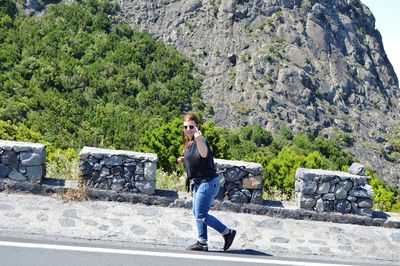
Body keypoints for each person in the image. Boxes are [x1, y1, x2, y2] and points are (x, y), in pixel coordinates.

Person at [177, 113, 236, 252]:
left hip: (207, 183)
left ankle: (227, 232)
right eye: (186, 127)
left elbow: (203, 154)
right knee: (196, 212)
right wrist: (184, 160)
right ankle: (202, 242)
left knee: (201, 215)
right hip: (199, 183)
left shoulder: (200, 140)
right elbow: (197, 158)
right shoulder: (190, 142)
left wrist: (198, 138)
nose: (188, 129)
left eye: (191, 126)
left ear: (197, 126)